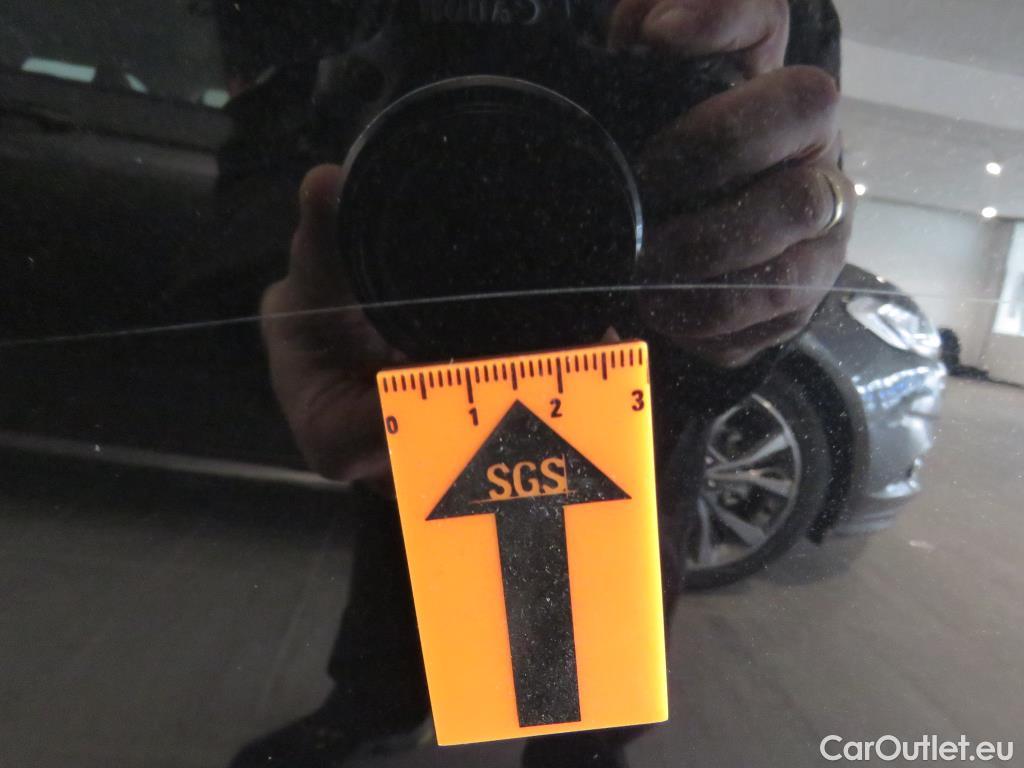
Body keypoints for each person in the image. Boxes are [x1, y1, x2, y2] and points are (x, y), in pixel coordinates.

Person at [232, 0, 853, 765]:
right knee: (420, 522)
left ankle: (560, 741)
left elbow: (788, 198)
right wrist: (290, 269)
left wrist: (759, 288)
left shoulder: (787, 12)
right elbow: (278, 106)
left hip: (617, 334)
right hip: (428, 289)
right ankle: (381, 703)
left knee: (584, 660)